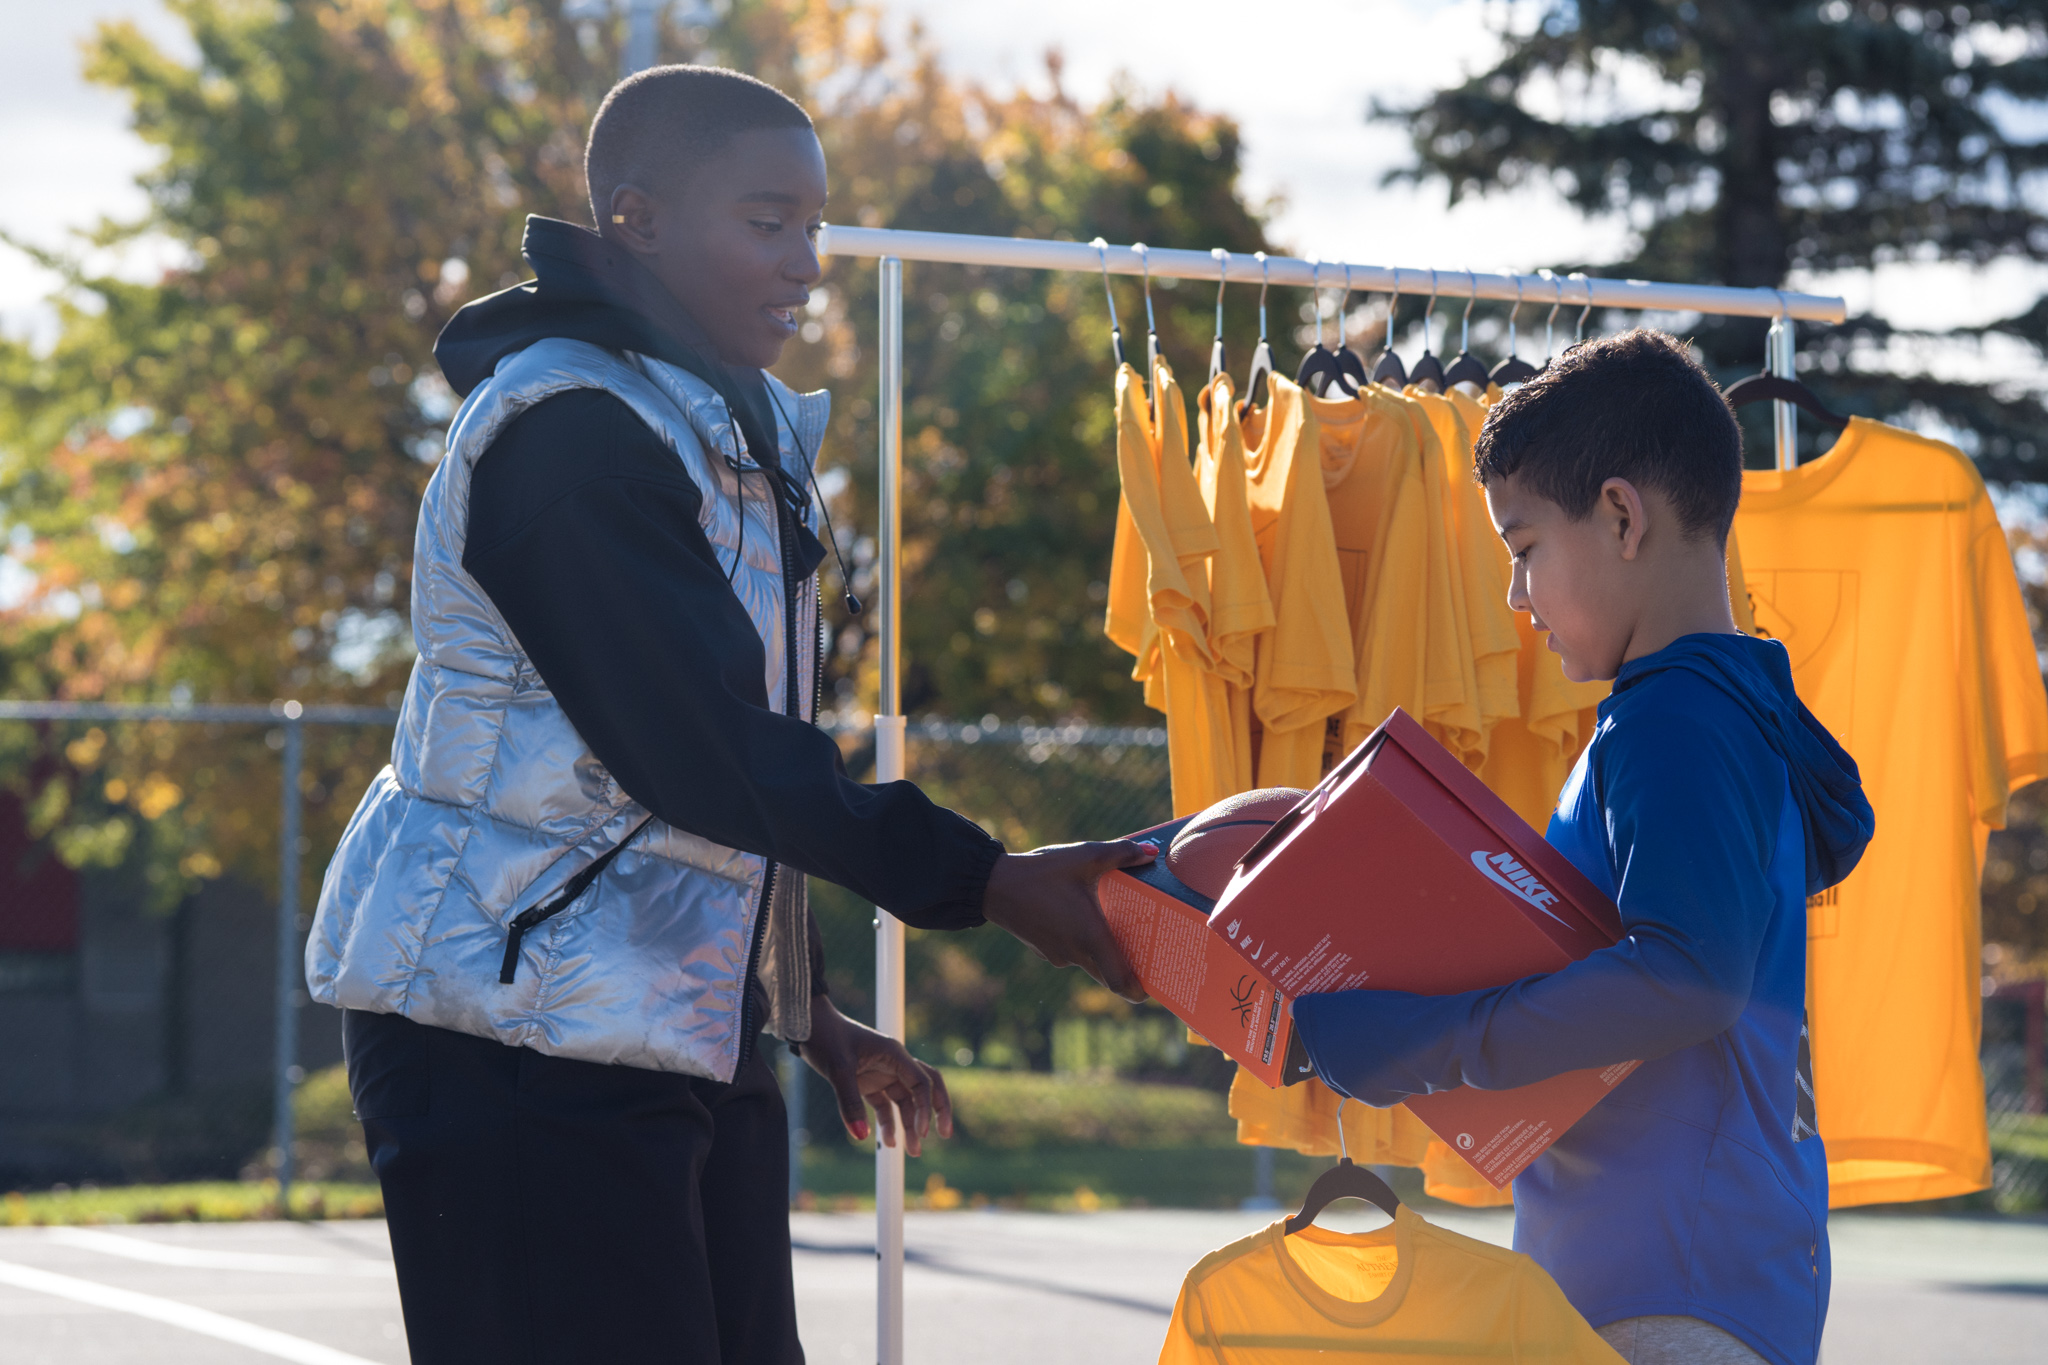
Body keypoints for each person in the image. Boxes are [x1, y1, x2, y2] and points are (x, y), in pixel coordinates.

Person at [305, 65, 1151, 1365]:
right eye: (768, 223)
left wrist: (801, 1009)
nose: (807, 262)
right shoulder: (570, 434)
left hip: (658, 1021)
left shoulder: (717, 423)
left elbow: (732, 788)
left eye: (814, 225)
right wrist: (984, 879)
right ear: (636, 221)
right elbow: (704, 753)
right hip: (506, 1033)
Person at [1289, 331, 1874, 1365]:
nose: (1516, 600)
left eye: (1523, 551)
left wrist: (1417, 1041)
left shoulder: (1673, 719)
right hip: (1682, 1277)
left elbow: (1686, 978)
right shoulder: (1719, 710)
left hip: (1671, 1292)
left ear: (1619, 517)